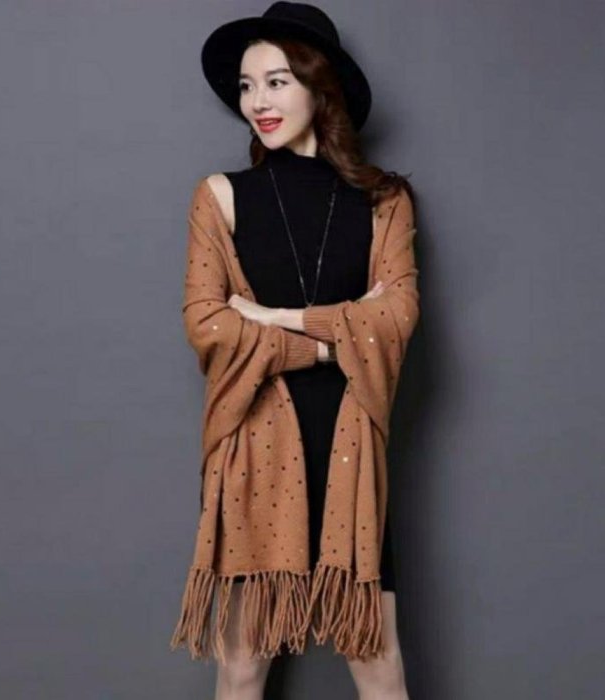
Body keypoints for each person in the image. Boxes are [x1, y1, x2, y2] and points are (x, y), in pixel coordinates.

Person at [170, 4, 419, 699]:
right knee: (242, 667)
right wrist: (333, 344)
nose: (258, 102)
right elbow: (208, 324)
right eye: (247, 86)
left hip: (350, 447)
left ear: (320, 86)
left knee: (379, 667)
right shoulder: (221, 197)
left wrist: (274, 317)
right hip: (255, 444)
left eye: (276, 82)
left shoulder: (386, 201)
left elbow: (398, 318)